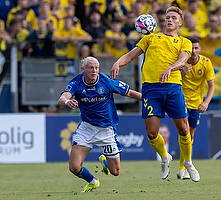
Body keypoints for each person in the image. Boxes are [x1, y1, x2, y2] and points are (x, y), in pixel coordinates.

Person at [110, 6, 200, 182]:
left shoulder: (184, 42)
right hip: (151, 89)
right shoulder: (151, 38)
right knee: (152, 133)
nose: (169, 20)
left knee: (184, 129)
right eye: (167, 17)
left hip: (173, 87)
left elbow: (183, 60)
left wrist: (171, 68)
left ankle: (188, 163)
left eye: (173, 18)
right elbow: (130, 55)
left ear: (180, 23)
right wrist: (118, 64)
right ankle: (165, 158)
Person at [57, 56, 142, 192]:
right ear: (83, 69)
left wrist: (150, 100)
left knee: (115, 172)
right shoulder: (77, 83)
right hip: (87, 128)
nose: (94, 70)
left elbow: (130, 93)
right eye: (91, 67)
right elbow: (62, 98)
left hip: (106, 130)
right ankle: (93, 181)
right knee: (74, 167)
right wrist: (67, 102)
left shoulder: (106, 81)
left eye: (96, 67)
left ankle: (105, 162)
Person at [178, 36, 215, 180]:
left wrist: (206, 102)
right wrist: (181, 74)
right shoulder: (180, 61)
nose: (193, 51)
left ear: (200, 49)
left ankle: (184, 166)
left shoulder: (206, 62)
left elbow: (211, 86)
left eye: (196, 48)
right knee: (184, 132)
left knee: (190, 135)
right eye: (191, 48)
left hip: (196, 104)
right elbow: (169, 80)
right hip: (180, 101)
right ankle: (184, 168)